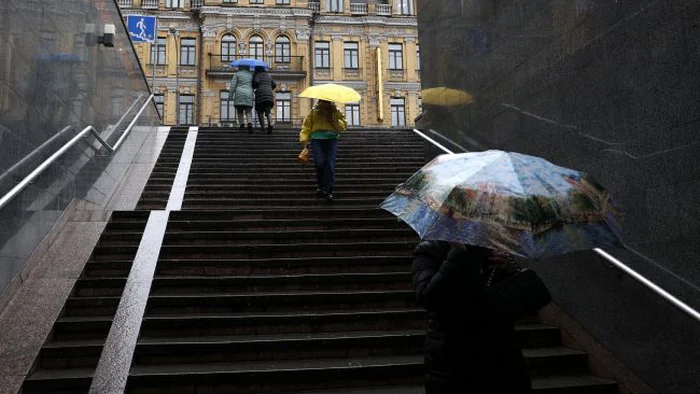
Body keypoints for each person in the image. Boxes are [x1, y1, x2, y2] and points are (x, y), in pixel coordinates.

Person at [412, 240, 532, 394]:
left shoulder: (490, 247)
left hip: (501, 353)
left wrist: (508, 271)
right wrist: (457, 255)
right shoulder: (431, 250)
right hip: (452, 355)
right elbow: (428, 297)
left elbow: (510, 301)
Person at [299, 100, 348, 201]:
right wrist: (304, 139)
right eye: (323, 100)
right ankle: (321, 186)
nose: (325, 102)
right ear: (320, 100)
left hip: (331, 139)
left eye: (327, 101)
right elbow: (306, 126)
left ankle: (328, 191)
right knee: (320, 163)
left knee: (330, 164)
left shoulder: (335, 112)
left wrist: (333, 120)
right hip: (316, 139)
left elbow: (343, 127)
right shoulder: (313, 112)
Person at [229, 65, 255, 133]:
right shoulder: (251, 74)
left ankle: (242, 124)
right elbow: (254, 84)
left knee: (239, 110)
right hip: (248, 93)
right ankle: (249, 123)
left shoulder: (237, 74)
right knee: (248, 111)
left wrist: (230, 95)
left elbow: (233, 85)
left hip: (239, 93)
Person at [252, 66, 277, 134]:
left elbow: (256, 82)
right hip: (269, 95)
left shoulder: (257, 75)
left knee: (260, 112)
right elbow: (274, 84)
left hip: (260, 94)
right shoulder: (268, 75)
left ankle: (263, 128)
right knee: (268, 111)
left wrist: (255, 86)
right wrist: (269, 88)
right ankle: (270, 124)